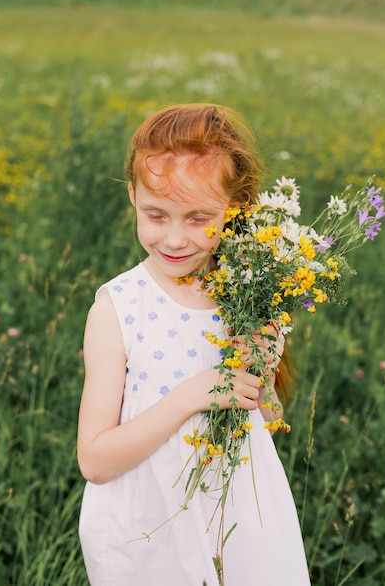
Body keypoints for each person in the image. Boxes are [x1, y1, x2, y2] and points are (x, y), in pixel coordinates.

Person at [77, 104, 311, 585]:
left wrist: (263, 372)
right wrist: (192, 396)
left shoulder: (249, 297)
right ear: (132, 197)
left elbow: (262, 423)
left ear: (236, 210)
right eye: (156, 215)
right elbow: (95, 461)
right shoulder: (118, 309)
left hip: (240, 519)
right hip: (148, 528)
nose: (176, 238)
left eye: (199, 217)